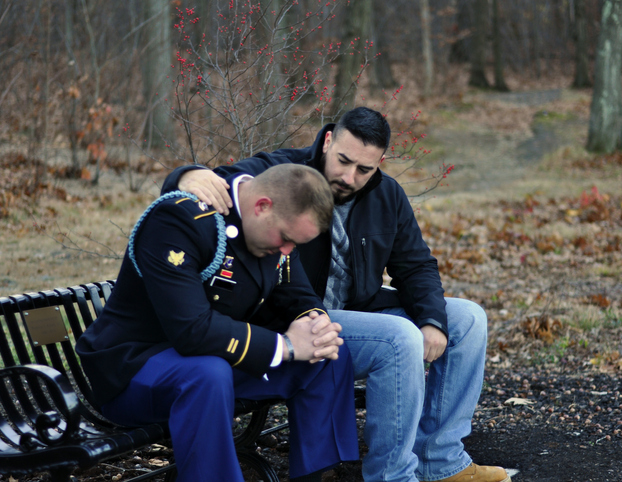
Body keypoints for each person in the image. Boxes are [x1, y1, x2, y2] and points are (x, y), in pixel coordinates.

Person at [162, 107, 511, 482]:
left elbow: (415, 265)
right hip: (294, 319)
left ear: (380, 163)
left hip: (359, 310)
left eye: (365, 169)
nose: (349, 177)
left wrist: (432, 321)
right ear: (328, 140)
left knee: (468, 319)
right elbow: (223, 187)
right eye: (343, 161)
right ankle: (392, 476)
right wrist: (187, 174)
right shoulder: (288, 174)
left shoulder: (387, 195)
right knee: (399, 338)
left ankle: (439, 461)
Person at [76, 164, 359, 482]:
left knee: (328, 355)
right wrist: (289, 346)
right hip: (135, 368)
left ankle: (315, 475)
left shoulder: (272, 230)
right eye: (286, 240)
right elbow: (191, 331)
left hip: (215, 358)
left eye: (294, 245)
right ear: (262, 205)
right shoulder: (179, 220)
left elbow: (296, 294)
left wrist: (315, 324)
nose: (287, 250)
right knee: (208, 373)